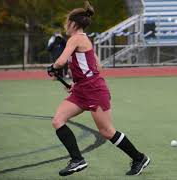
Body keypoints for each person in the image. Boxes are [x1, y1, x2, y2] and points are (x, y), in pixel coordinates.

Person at [47, 1, 150, 176]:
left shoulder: (76, 38)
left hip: (94, 91)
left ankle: (139, 158)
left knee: (107, 131)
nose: (65, 25)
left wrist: (53, 68)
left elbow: (60, 61)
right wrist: (77, 84)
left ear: (73, 23)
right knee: (58, 121)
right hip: (82, 90)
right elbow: (96, 66)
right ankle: (77, 160)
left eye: (67, 22)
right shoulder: (85, 40)